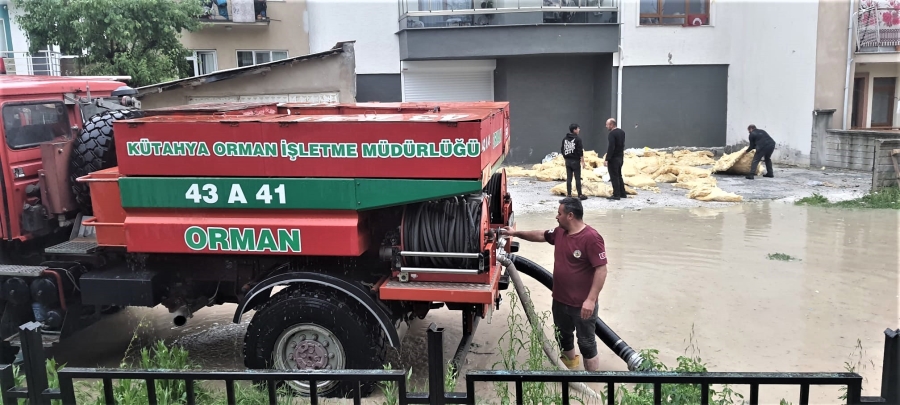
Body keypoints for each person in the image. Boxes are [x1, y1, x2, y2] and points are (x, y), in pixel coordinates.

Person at [500, 197, 609, 371]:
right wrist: (514, 233)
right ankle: (570, 375)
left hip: (582, 305)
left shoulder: (591, 238)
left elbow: (601, 270)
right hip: (560, 301)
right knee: (564, 338)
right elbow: (540, 235)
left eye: (559, 213)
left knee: (587, 344)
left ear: (570, 215)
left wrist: (591, 300)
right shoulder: (560, 232)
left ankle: (592, 383)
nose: (556, 217)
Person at [561, 124, 588, 200]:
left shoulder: (565, 139)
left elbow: (562, 149)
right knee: (577, 178)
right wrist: (582, 161)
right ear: (574, 130)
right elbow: (580, 151)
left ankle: (569, 194)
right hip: (575, 161)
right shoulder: (578, 139)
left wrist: (566, 157)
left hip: (568, 161)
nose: (579, 130)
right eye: (578, 129)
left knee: (569, 178)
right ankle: (580, 194)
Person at [603, 118, 626, 200]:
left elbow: (611, 147)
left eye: (607, 124)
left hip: (614, 158)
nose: (606, 126)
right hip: (620, 157)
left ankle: (616, 194)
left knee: (614, 177)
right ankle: (622, 193)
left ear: (612, 125)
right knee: (619, 175)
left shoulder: (612, 134)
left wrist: (607, 159)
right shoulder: (622, 132)